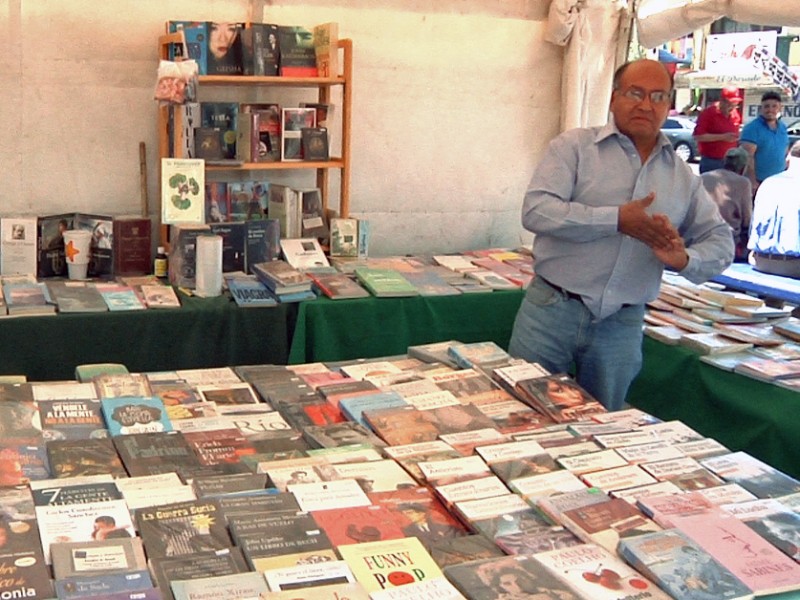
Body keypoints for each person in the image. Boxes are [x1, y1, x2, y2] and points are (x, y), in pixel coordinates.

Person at [508, 59, 734, 411]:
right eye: (635, 93)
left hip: (622, 324)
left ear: (668, 105)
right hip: (552, 310)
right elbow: (536, 211)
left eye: (658, 96)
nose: (645, 105)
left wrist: (686, 259)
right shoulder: (574, 148)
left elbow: (721, 240)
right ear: (613, 98)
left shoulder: (682, 176)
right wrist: (614, 220)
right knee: (520, 416)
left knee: (605, 430)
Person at [747, 141, 800, 278]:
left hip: (759, 261)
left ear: (787, 158)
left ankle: (772, 301)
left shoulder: (768, 183)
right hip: (794, 266)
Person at [701, 147, 753, 262]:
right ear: (743, 167)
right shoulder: (743, 183)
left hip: (701, 233)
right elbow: (747, 218)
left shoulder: (704, 177)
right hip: (727, 237)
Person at [740, 91, 790, 193]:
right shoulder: (752, 128)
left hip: (779, 180)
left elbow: (785, 151)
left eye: (774, 106)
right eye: (766, 106)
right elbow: (748, 157)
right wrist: (752, 180)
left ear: (780, 108)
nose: (770, 110)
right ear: (761, 108)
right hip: (759, 182)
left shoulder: (783, 127)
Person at [693, 86, 742, 173]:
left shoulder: (735, 114)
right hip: (711, 161)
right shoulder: (709, 113)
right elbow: (698, 136)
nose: (732, 106)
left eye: (735, 103)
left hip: (731, 161)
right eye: (729, 103)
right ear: (722, 100)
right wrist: (723, 137)